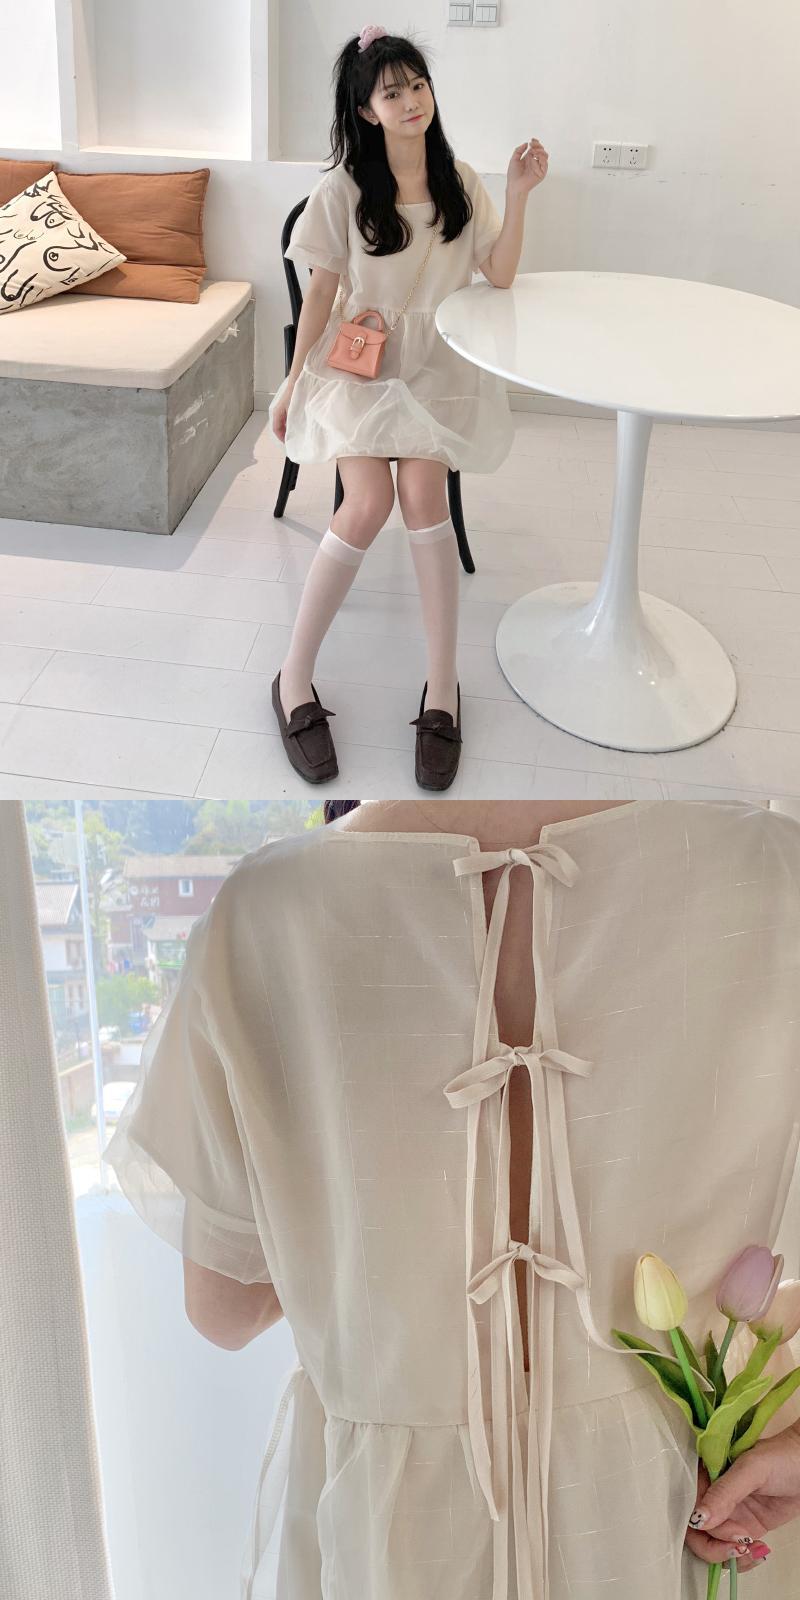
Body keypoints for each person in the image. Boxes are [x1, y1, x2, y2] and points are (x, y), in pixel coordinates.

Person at [103, 799, 800, 1599]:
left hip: (400, 1539)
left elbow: (222, 1311)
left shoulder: (265, 912)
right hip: (703, 1504)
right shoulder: (774, 871)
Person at [268, 23, 549, 791]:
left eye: (417, 85)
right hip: (359, 367)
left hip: (434, 371)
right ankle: (293, 677)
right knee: (367, 503)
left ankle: (443, 689)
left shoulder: (459, 180)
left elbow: (499, 274)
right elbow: (320, 295)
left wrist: (517, 194)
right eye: (392, 92)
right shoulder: (343, 189)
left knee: (424, 497)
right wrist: (291, 383)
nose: (411, 101)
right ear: (367, 110)